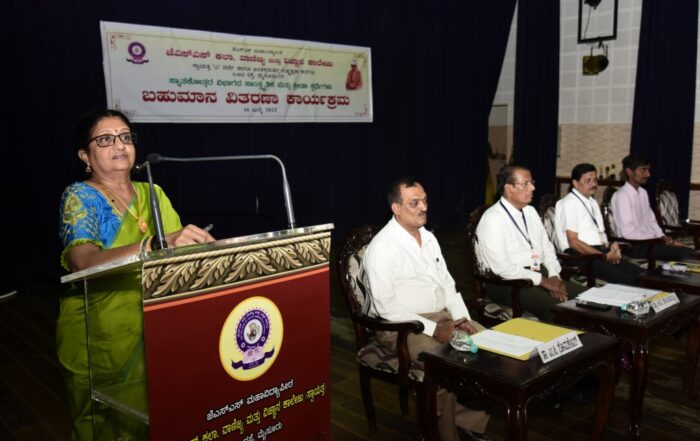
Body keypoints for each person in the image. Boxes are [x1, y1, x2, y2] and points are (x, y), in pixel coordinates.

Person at [58, 109, 215, 440]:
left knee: (160, 417)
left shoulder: (153, 193)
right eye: (105, 139)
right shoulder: (79, 197)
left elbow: (177, 257)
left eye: (125, 137)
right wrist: (154, 243)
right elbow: (83, 262)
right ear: (85, 156)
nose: (120, 145)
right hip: (101, 333)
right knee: (104, 425)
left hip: (157, 324)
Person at [363, 178, 491, 441]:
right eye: (414, 203)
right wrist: (435, 330)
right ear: (396, 208)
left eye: (424, 201)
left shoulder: (429, 237)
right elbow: (387, 308)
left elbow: (447, 284)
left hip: (443, 316)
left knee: (490, 349)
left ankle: (468, 423)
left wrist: (462, 319)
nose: (423, 207)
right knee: (445, 364)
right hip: (402, 326)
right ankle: (449, 433)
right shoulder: (382, 247)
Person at [476, 166, 586, 322]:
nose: (533, 188)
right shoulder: (493, 219)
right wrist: (543, 281)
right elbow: (502, 268)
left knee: (588, 297)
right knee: (558, 308)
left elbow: (547, 247)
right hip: (508, 282)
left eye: (532, 182)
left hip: (539, 272)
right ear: (509, 188)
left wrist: (554, 275)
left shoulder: (530, 212)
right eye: (526, 184)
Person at [554, 163, 643, 285]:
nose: (593, 184)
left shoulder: (592, 201)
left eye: (595, 180)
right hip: (579, 256)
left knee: (642, 275)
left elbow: (599, 233)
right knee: (630, 281)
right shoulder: (569, 203)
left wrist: (611, 245)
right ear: (575, 183)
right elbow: (573, 242)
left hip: (596, 252)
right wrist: (603, 256)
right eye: (588, 181)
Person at [611, 154, 695, 261]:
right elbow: (628, 233)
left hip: (649, 242)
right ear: (629, 172)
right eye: (643, 170)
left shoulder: (643, 193)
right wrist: (659, 239)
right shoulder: (622, 196)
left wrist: (664, 238)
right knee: (687, 254)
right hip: (633, 246)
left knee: (688, 251)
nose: (648, 174)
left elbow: (651, 221)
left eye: (648, 170)